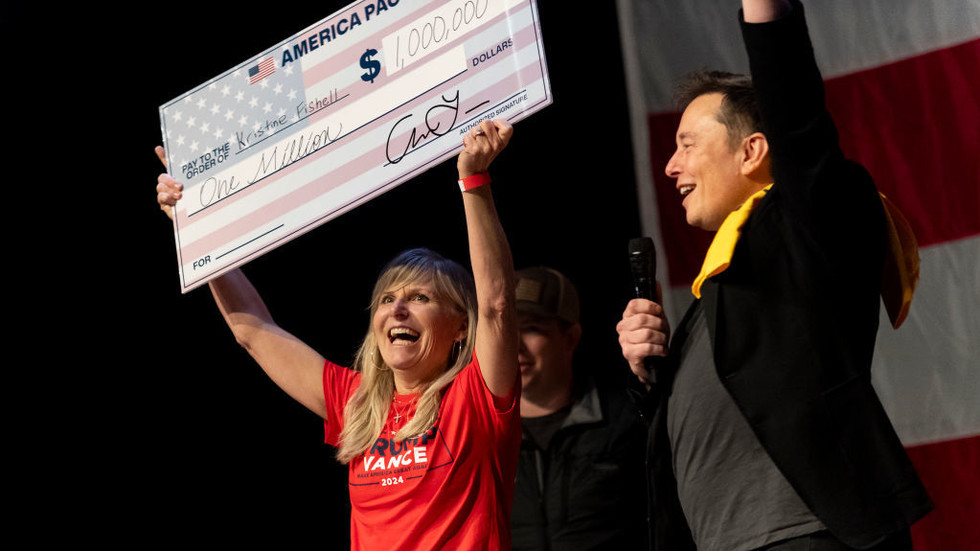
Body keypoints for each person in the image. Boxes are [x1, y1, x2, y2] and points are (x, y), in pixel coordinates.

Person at [616, 1, 932, 550]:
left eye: (687, 144)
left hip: (808, 536)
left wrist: (765, 13)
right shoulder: (718, 292)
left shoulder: (813, 223)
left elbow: (797, 113)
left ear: (753, 151)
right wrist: (649, 380)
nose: (671, 165)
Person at [155, 119, 522, 550]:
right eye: (386, 300)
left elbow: (496, 306)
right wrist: (196, 227)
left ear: (462, 325)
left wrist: (473, 180)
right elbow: (251, 329)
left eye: (420, 297)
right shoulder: (356, 401)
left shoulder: (476, 398)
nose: (397, 309)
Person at [510, 267, 647, 550]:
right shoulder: (483, 439)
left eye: (531, 329)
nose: (515, 347)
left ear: (570, 337)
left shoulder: (628, 421)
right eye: (505, 333)